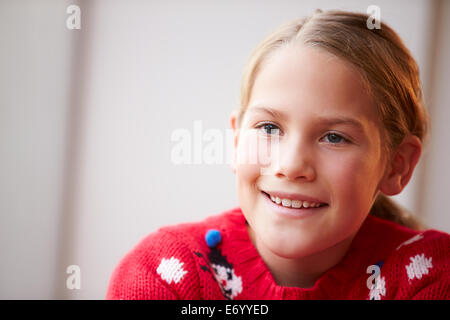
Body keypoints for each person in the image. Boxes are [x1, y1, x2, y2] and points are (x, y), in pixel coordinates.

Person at [106, 10, 450, 300]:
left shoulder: (429, 275)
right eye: (269, 128)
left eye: (334, 137)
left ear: (397, 165)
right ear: (237, 140)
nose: (290, 165)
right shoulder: (165, 273)